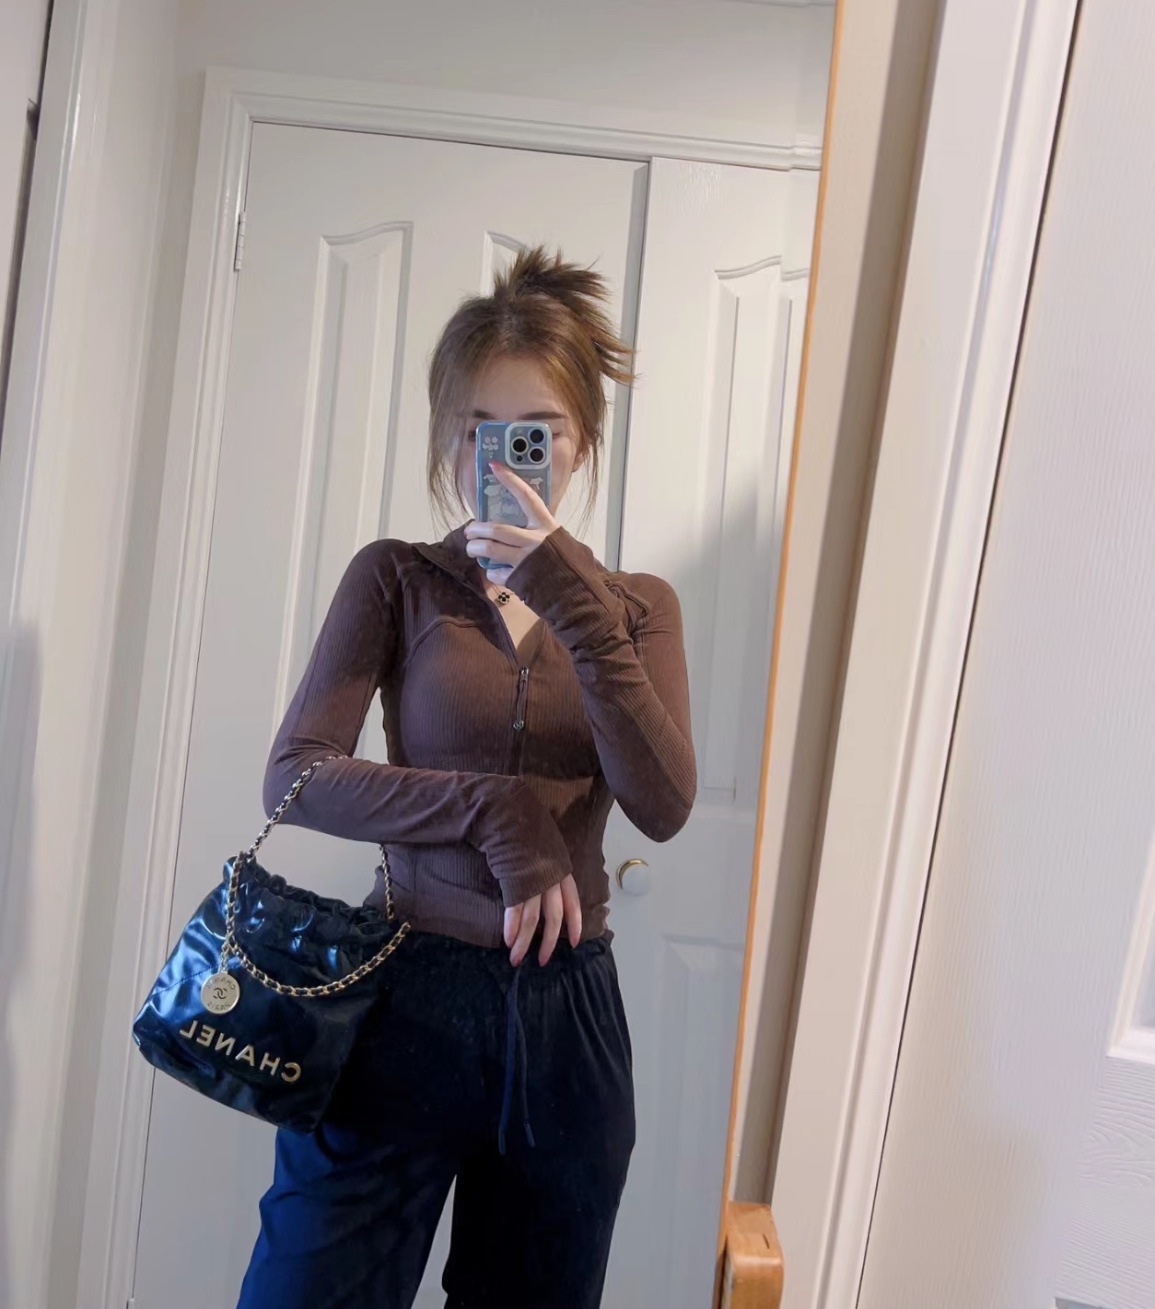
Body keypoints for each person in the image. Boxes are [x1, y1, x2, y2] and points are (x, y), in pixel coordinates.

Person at [237, 247, 696, 1309]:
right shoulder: (397, 576)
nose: (507, 455)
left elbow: (664, 803)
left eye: (537, 429)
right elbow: (294, 776)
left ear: (582, 440)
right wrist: (493, 808)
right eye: (481, 426)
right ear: (451, 434)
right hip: (398, 992)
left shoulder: (638, 607)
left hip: (567, 1018)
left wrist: (569, 595)